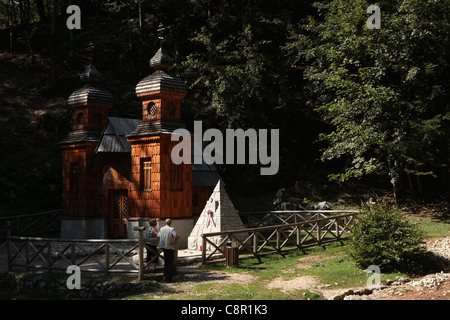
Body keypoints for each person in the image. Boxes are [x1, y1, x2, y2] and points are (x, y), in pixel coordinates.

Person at [157, 218, 179, 283]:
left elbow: (158, 235)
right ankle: (169, 278)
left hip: (164, 247)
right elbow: (176, 236)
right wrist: (174, 243)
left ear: (165, 223)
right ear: (171, 223)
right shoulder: (172, 229)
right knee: (170, 263)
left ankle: (165, 277)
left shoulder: (161, 229)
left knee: (166, 263)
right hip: (170, 247)